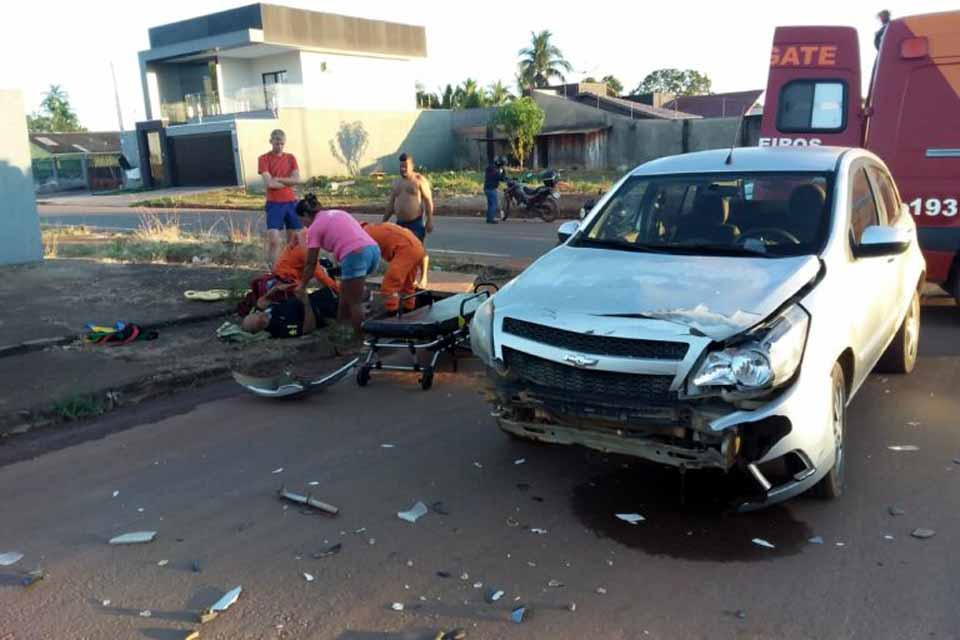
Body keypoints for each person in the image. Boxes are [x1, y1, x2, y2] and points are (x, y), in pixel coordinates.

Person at [295, 194, 381, 343]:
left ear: (305, 215)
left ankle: (360, 343)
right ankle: (340, 330)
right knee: (344, 295)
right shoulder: (338, 213)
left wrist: (302, 285)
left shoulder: (314, 228)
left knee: (354, 302)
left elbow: (310, 263)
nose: (303, 225)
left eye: (301, 221)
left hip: (355, 254)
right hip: (372, 250)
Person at [385, 152, 433, 286]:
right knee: (400, 252)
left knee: (419, 250)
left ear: (412, 166)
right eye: (401, 166)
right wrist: (384, 222)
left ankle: (423, 278)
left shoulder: (419, 180)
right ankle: (406, 278)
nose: (403, 169)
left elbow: (428, 201)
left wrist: (429, 220)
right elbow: (391, 204)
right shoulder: (396, 182)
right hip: (400, 223)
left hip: (415, 222)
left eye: (405, 166)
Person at [258, 129, 303, 267]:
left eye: (282, 143)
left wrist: (278, 179)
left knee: (293, 241)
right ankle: (275, 271)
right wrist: (288, 181)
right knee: (274, 241)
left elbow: (297, 179)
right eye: (277, 143)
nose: (279, 146)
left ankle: (288, 269)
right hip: (274, 204)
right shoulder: (263, 159)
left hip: (290, 203)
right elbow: (270, 183)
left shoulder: (291, 158)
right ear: (271, 141)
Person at [361, 222, 426, 313]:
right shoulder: (375, 228)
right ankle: (409, 310)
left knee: (389, 287)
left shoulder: (362, 235)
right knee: (408, 285)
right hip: (418, 247)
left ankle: (392, 313)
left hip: (406, 250)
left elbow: (363, 262)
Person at [240, 285, 339, 339]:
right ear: (261, 325)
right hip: (324, 309)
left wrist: (275, 289)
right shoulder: (281, 329)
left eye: (256, 313)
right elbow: (307, 329)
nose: (259, 313)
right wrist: (306, 304)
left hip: (321, 296)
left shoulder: (268, 312)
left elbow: (261, 301)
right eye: (259, 316)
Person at [483, 156, 506, 224]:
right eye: (502, 164)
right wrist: (503, 172)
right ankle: (491, 219)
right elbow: (500, 178)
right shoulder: (494, 169)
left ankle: (489, 218)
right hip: (491, 189)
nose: (502, 166)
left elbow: (499, 177)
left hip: (488, 188)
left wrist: (502, 171)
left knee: (490, 204)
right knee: (494, 204)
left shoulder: (491, 167)